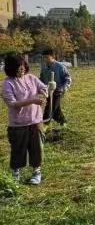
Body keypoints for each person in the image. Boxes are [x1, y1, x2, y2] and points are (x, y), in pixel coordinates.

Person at [3, 54, 48, 185]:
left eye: (23, 67)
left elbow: (43, 87)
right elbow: (12, 103)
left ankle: (36, 172)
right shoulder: (8, 83)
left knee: (37, 149)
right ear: (11, 68)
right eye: (18, 68)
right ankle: (15, 174)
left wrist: (45, 91)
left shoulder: (32, 78)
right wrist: (32, 100)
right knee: (18, 149)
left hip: (36, 120)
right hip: (18, 123)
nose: (22, 70)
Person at [39, 48, 72, 126]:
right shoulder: (44, 67)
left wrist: (64, 88)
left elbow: (67, 78)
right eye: (44, 57)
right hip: (48, 91)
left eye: (47, 57)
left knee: (50, 108)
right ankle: (63, 122)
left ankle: (44, 125)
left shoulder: (60, 67)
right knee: (56, 109)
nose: (45, 59)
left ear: (53, 56)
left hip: (58, 91)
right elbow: (41, 79)